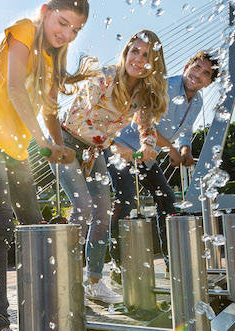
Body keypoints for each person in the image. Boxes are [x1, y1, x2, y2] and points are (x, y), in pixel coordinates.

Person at [0, 0, 91, 331]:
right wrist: (41, 142)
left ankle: (45, 313)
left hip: (17, 152)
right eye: (62, 22)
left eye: (74, 30)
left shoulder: (52, 63)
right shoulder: (22, 29)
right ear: (45, 10)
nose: (65, 33)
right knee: (2, 223)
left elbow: (50, 113)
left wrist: (61, 148)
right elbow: (17, 88)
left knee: (35, 228)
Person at [55, 30, 168, 305]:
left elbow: (147, 124)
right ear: (126, 52)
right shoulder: (104, 76)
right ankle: (65, 281)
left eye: (147, 56)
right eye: (135, 52)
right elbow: (80, 118)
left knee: (103, 213)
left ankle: (94, 281)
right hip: (66, 141)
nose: (139, 60)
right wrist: (116, 146)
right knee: (82, 208)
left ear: (154, 63)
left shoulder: (142, 93)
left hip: (95, 151)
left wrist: (148, 143)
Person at [106, 50, 218, 267]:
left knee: (165, 197)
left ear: (209, 82)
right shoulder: (163, 86)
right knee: (126, 196)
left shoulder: (197, 103)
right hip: (123, 146)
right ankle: (118, 264)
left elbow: (186, 130)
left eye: (206, 74)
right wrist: (171, 150)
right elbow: (148, 125)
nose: (198, 74)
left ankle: (171, 261)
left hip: (146, 155)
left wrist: (185, 148)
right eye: (197, 67)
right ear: (187, 66)